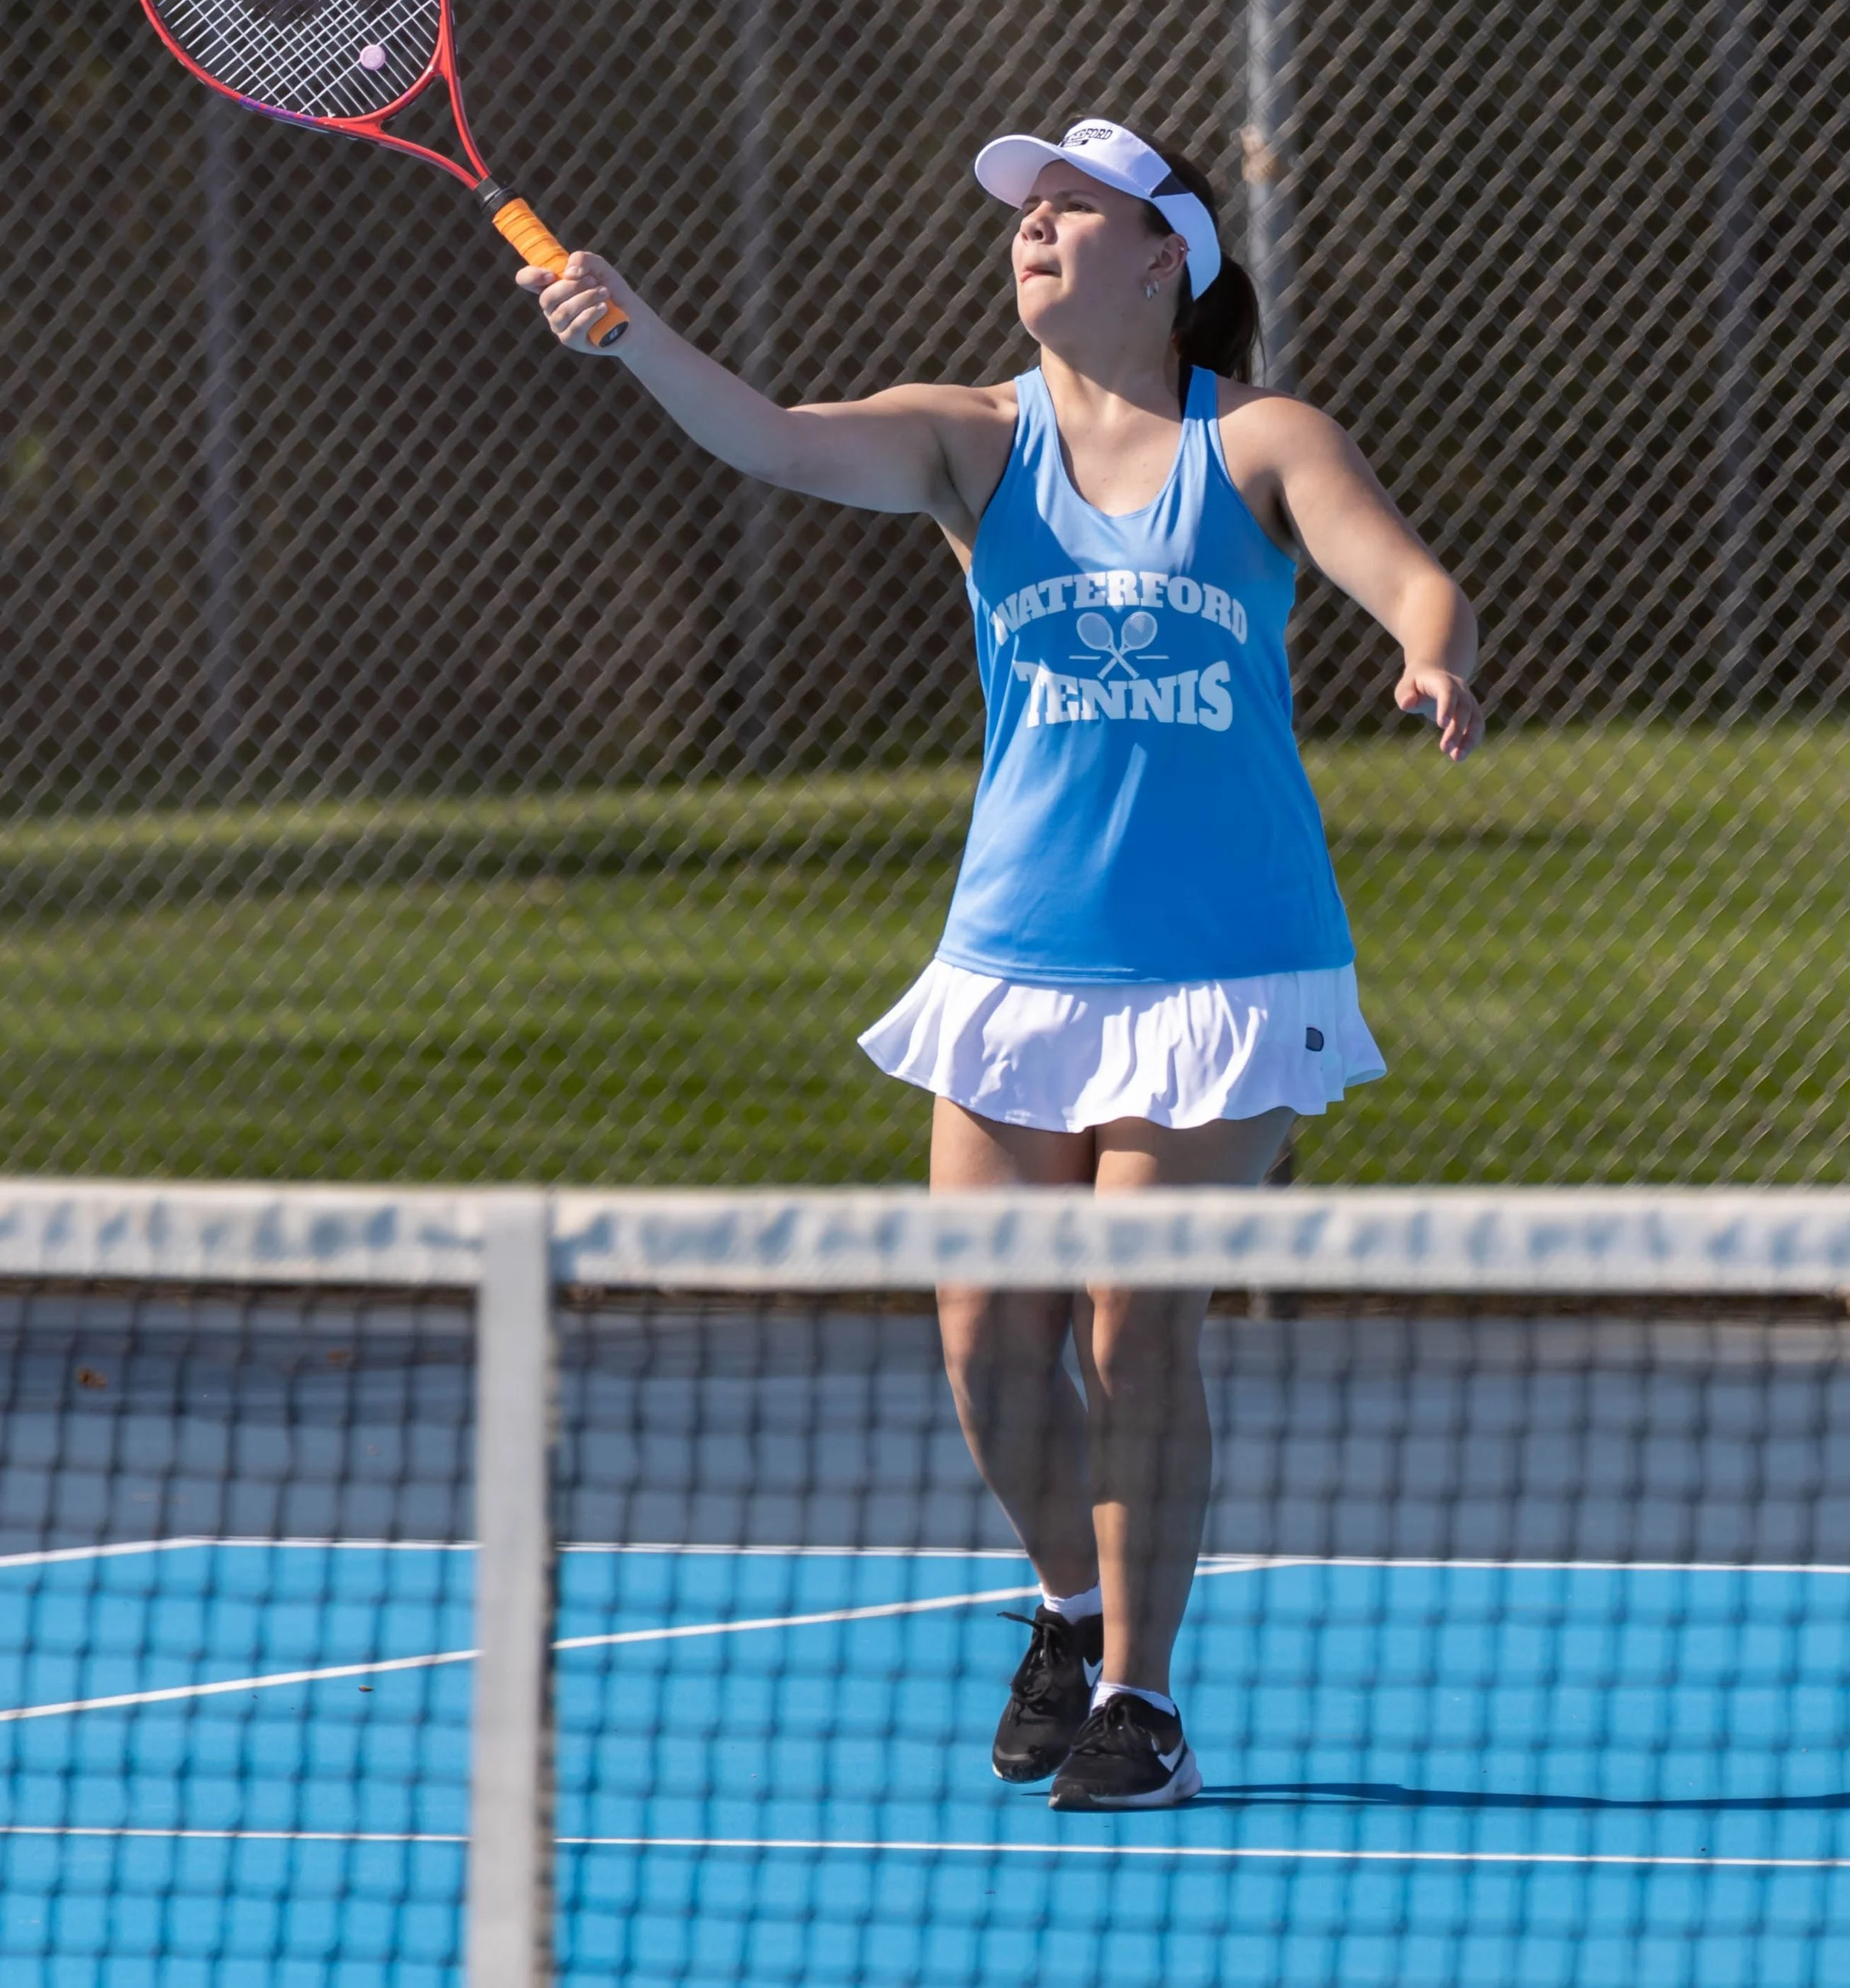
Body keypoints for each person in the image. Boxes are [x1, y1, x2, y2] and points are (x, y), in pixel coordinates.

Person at [519, 117, 1483, 1812]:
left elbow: (1405, 572)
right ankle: (1067, 1601)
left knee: (1131, 1320)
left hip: (1228, 975)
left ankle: (1141, 1695)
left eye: (1069, 211)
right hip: (1015, 967)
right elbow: (773, 439)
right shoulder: (967, 440)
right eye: (1021, 215)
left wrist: (1424, 653)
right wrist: (634, 331)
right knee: (982, 1342)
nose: (1031, 233)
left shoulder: (1257, 438)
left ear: (1162, 252)